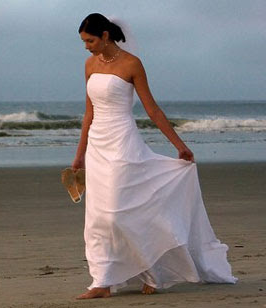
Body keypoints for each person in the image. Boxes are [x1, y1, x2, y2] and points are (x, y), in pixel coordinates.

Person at [71, 13, 237, 300]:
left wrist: (179, 145)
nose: (86, 46)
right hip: (97, 146)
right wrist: (79, 155)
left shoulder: (132, 64)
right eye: (84, 41)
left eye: (90, 40)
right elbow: (88, 113)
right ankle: (102, 281)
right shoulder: (89, 65)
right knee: (98, 217)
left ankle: (153, 272)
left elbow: (153, 110)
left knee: (118, 214)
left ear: (105, 36)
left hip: (123, 143)